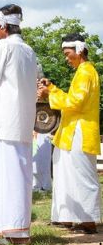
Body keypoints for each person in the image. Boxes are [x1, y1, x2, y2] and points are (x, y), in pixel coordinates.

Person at [0, 4, 38, 244]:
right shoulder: (29, 50)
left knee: (5, 176)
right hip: (22, 121)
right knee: (19, 174)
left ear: (3, 26)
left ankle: (12, 231)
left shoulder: (3, 47)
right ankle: (16, 230)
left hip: (5, 120)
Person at [38, 33, 101, 234]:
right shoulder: (82, 72)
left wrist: (51, 92)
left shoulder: (86, 72)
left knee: (82, 176)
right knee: (64, 173)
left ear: (79, 50)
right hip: (70, 131)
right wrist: (53, 89)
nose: (66, 58)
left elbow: (75, 103)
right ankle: (66, 218)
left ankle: (88, 220)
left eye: (68, 54)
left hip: (80, 131)